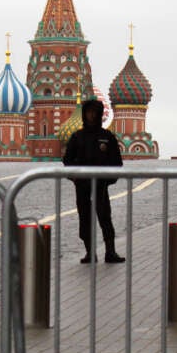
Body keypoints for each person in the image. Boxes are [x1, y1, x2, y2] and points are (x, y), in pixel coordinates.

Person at [62, 99, 125, 263]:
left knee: (105, 217)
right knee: (84, 218)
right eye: (89, 112)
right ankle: (90, 252)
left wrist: (108, 179)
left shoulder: (107, 137)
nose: (91, 115)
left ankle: (110, 252)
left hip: (100, 185)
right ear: (84, 114)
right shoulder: (77, 137)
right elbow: (67, 159)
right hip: (82, 184)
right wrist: (75, 176)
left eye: (94, 112)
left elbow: (116, 162)